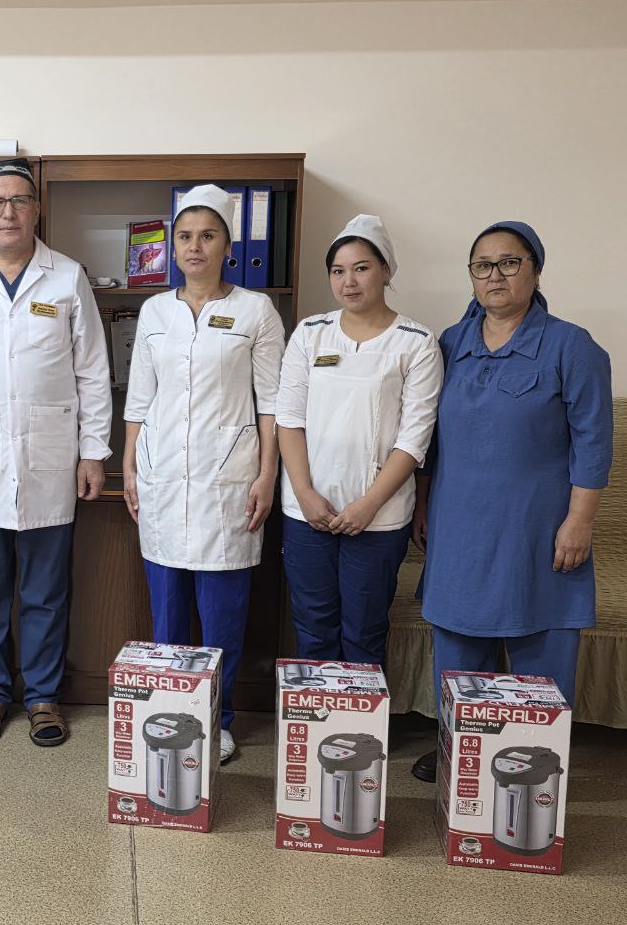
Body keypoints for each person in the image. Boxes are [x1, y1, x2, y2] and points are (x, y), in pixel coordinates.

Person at [410, 221, 612, 783]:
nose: (495, 275)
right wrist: (422, 504)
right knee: (457, 645)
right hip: (459, 527)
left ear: (535, 270)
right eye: (483, 265)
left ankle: (536, 762)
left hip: (538, 529)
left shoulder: (571, 345)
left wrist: (580, 520)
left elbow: (594, 440)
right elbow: (428, 436)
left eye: (509, 262)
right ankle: (460, 754)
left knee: (540, 645)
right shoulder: (451, 343)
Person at [0, 158, 112, 748]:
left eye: (19, 200)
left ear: (37, 209)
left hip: (50, 457)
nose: (8, 212)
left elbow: (92, 370)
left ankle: (43, 697)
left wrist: (93, 451)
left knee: (45, 591)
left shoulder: (67, 277)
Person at [122, 185, 284, 763]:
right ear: (173, 246)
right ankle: (171, 712)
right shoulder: (155, 312)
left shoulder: (256, 311)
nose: (195, 247)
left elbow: (273, 403)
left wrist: (267, 474)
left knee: (222, 616)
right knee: (167, 613)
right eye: (185, 236)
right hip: (163, 475)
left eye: (208, 236)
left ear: (227, 247)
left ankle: (219, 719)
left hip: (229, 480)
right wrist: (130, 463)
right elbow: (140, 397)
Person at [276, 215, 442, 667]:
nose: (348, 281)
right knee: (313, 627)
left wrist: (369, 505)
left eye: (361, 268)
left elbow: (414, 438)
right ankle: (317, 713)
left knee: (364, 631)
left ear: (386, 270)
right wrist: (304, 493)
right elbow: (288, 420)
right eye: (338, 271)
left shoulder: (416, 342)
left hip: (379, 515)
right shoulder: (310, 333)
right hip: (307, 511)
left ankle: (361, 714)